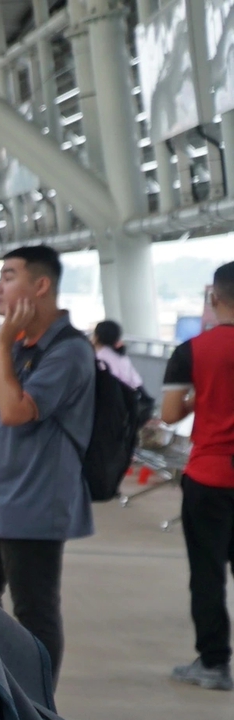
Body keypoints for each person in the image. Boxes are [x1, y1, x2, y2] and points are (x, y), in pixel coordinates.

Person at [0, 244, 94, 671]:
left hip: (35, 503)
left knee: (34, 613)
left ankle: (40, 715)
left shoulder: (68, 351)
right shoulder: (21, 347)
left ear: (41, 285)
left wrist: (0, 343)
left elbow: (17, 411)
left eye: (8, 276)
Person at [165, 261, 234, 691]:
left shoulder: (192, 350)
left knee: (208, 572)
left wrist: (198, 399)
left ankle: (214, 663)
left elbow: (170, 413)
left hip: (209, 476)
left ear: (214, 297)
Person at [92, 320, 145, 390]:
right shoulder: (121, 355)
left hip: (113, 396)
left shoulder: (99, 358)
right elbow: (136, 381)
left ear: (97, 337)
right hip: (129, 395)